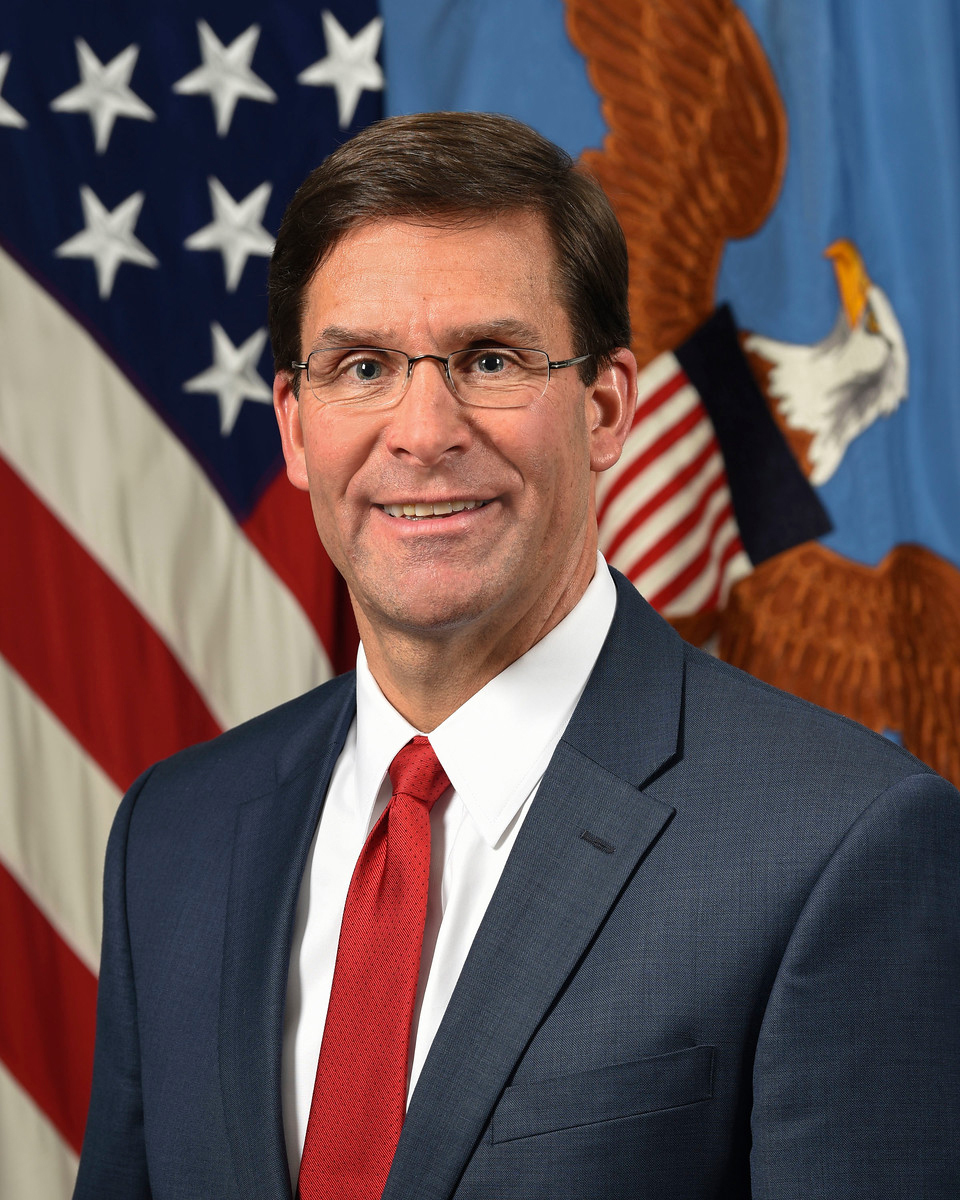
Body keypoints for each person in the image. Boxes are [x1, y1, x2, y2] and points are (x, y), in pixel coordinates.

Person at [74, 112, 959, 1200]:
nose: (423, 430)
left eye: (489, 359)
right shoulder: (174, 837)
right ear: (297, 429)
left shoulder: (842, 848)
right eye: (362, 367)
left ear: (605, 409)